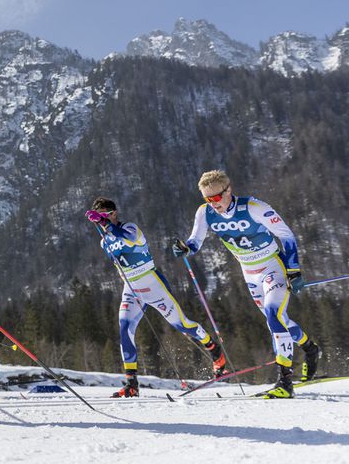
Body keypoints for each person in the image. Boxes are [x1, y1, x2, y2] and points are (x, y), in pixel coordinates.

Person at [172, 170, 321, 399]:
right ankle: (310, 349)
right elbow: (196, 240)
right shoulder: (205, 213)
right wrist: (186, 248)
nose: (213, 204)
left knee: (273, 314)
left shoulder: (254, 207)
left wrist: (293, 271)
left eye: (216, 198)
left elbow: (287, 236)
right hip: (249, 274)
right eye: (206, 199)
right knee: (278, 321)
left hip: (273, 267)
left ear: (228, 190)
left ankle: (285, 382)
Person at [85, 197, 225, 398]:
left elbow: (129, 240)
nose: (101, 221)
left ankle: (214, 350)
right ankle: (131, 384)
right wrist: (105, 228)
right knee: (125, 329)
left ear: (114, 213)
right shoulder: (103, 241)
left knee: (182, 325)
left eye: (105, 216)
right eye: (98, 218)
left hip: (152, 284)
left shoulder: (131, 228)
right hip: (131, 289)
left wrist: (105, 224)